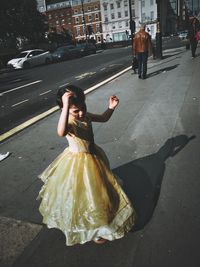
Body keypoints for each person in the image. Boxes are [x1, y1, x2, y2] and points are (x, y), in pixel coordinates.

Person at [37, 85, 136, 246]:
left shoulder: (85, 116)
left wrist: (110, 108)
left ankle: (101, 226)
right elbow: (61, 132)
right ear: (65, 109)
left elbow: (103, 118)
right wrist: (66, 107)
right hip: (77, 164)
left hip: (94, 157)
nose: (81, 113)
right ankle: (94, 232)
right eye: (76, 110)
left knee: (98, 194)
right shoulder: (68, 121)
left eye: (83, 107)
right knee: (85, 197)